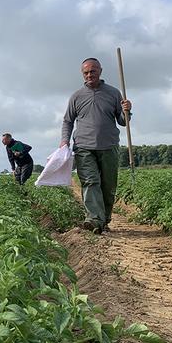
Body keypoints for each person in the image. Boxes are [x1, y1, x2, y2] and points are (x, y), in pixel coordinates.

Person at [60, 57, 132, 234]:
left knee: (108, 185)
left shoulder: (114, 93)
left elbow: (123, 122)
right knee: (91, 182)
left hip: (109, 146)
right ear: (82, 74)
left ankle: (104, 219)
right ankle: (93, 220)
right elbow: (68, 121)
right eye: (86, 72)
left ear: (100, 71)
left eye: (92, 71)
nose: (89, 75)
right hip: (84, 147)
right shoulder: (76, 96)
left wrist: (127, 111)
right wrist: (64, 140)